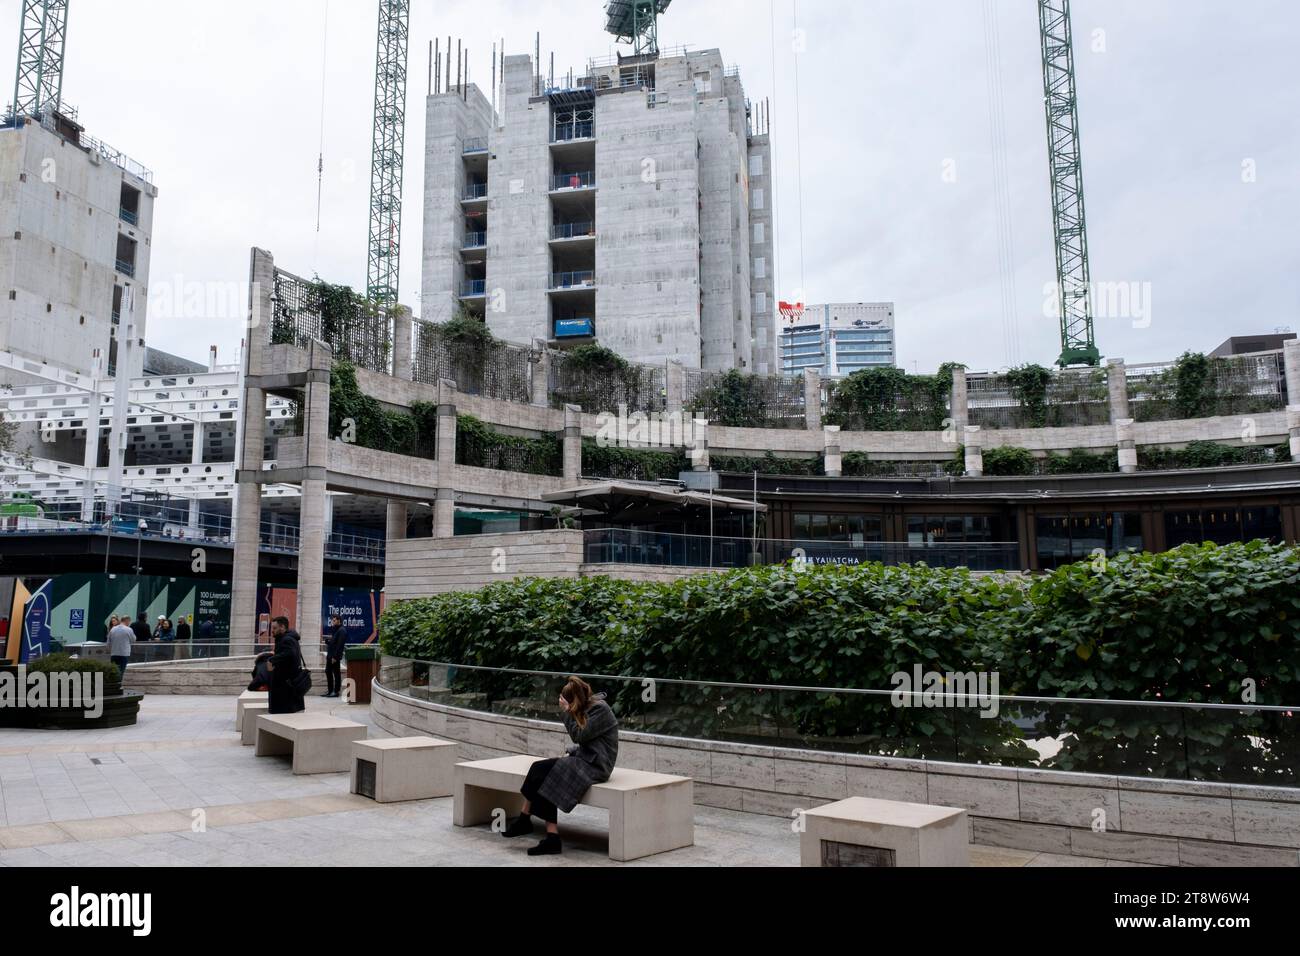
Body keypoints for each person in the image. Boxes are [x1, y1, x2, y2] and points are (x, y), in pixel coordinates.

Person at [502, 676, 619, 856]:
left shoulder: (600, 710)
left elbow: (580, 735)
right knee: (537, 768)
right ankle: (527, 821)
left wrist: (566, 712)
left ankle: (549, 836)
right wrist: (572, 751)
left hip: (597, 765)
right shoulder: (590, 707)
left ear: (576, 700)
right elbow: (588, 741)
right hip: (586, 758)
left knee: (550, 774)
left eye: (568, 703)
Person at [265, 616, 306, 714]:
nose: (272, 631)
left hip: (285, 686)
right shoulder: (288, 638)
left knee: (283, 715)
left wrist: (272, 659)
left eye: (274, 628)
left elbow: (289, 653)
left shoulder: (286, 639)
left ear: (282, 627)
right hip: (287, 684)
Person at [323, 614, 346, 698]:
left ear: (339, 620)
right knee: (328, 671)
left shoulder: (342, 630)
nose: (332, 622)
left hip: (334, 657)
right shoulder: (336, 630)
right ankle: (330, 691)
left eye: (334, 620)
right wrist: (328, 642)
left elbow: (340, 645)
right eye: (332, 620)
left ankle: (336, 691)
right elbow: (334, 643)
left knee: (336, 673)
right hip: (330, 656)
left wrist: (335, 657)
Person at [108, 616, 134, 684]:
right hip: (124, 653)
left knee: (113, 670)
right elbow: (133, 640)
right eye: (129, 622)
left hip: (114, 653)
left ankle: (112, 684)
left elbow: (108, 642)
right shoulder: (129, 629)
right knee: (121, 670)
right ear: (127, 621)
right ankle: (118, 685)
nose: (129, 623)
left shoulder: (113, 629)